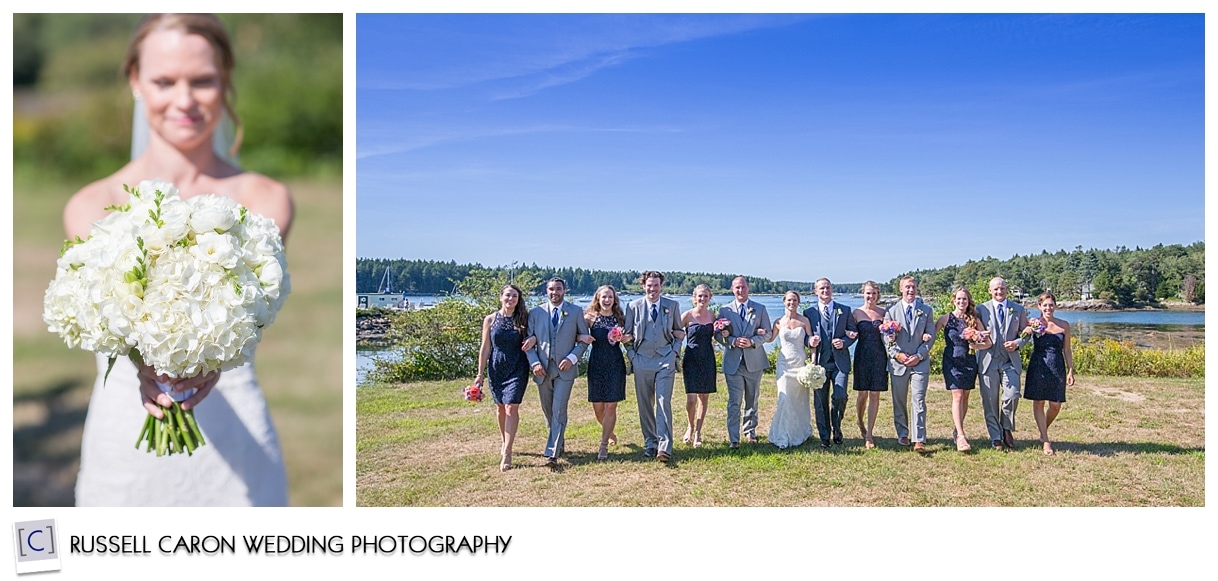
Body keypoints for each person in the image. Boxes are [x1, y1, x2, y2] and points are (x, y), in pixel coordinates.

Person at [65, 14, 293, 506]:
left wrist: (205, 366)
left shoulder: (265, 200)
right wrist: (145, 365)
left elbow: (248, 319)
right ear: (135, 82)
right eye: (165, 81)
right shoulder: (89, 206)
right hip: (125, 433)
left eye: (204, 81)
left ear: (225, 81)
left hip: (236, 434)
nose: (185, 100)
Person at [525, 277, 591, 468]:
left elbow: (584, 340)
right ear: (546, 291)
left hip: (565, 369)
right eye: (551, 289)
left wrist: (572, 358)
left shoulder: (576, 311)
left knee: (558, 408)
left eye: (558, 289)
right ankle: (558, 443)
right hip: (542, 369)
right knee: (548, 411)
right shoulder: (536, 313)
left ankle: (551, 453)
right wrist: (535, 363)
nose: (555, 292)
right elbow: (528, 342)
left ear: (564, 291)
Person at [621, 271, 685, 462]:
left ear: (661, 286)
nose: (652, 289)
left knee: (663, 402)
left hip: (665, 359)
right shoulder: (633, 307)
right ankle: (650, 442)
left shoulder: (672, 306)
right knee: (645, 404)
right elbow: (626, 336)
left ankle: (664, 447)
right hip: (642, 359)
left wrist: (674, 352)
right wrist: (632, 356)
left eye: (656, 285)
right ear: (643, 286)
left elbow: (680, 332)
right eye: (649, 285)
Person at [475, 285, 533, 471]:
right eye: (508, 295)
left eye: (515, 296)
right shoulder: (490, 319)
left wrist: (534, 340)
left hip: (518, 367)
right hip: (496, 368)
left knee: (511, 406)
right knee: (500, 408)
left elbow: (536, 336)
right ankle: (504, 440)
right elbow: (485, 348)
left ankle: (507, 452)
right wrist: (480, 374)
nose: (511, 299)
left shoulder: (524, 318)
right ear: (501, 297)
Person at [932, 287, 992, 452]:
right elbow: (930, 334)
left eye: (964, 299)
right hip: (951, 361)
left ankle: (957, 430)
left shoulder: (974, 320)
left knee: (965, 396)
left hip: (969, 361)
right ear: (953, 300)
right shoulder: (945, 319)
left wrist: (975, 344)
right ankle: (961, 436)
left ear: (968, 301)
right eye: (958, 299)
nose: (961, 302)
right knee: (957, 395)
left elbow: (988, 343)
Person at [716, 276, 772, 448]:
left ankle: (750, 431)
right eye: (737, 288)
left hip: (754, 361)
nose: (740, 291)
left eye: (743, 287)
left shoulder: (760, 309)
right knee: (734, 401)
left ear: (748, 288)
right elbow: (718, 334)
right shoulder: (725, 310)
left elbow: (768, 333)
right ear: (732, 289)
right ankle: (734, 438)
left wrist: (753, 341)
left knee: (752, 399)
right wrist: (732, 340)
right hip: (733, 362)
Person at [976, 277, 1030, 451]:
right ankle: (996, 437)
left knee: (1013, 394)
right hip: (988, 361)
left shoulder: (1018, 309)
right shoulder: (981, 309)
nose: (999, 292)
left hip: (1010, 361)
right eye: (996, 289)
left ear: (1007, 289)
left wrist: (1018, 343)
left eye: (1002, 289)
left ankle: (1006, 427)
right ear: (990, 291)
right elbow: (973, 331)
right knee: (990, 401)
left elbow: (1027, 332)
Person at [883, 276, 936, 453]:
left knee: (918, 399)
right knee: (899, 401)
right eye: (907, 287)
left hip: (919, 363)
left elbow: (930, 336)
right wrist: (897, 355)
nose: (911, 290)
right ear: (901, 289)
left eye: (913, 287)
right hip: (899, 363)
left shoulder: (926, 310)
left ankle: (919, 439)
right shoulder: (891, 311)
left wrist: (919, 355)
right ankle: (902, 433)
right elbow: (887, 338)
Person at [803, 278, 858, 448]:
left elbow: (854, 333)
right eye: (821, 288)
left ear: (831, 289)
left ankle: (837, 428)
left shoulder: (845, 310)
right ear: (815, 291)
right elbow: (804, 336)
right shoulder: (809, 313)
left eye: (827, 288)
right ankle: (825, 436)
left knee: (840, 396)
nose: (825, 291)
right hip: (819, 363)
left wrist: (844, 342)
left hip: (839, 362)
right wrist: (809, 341)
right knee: (820, 401)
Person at [1023, 292, 1075, 456]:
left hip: (1057, 365)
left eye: (1051, 305)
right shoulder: (1034, 323)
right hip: (1038, 364)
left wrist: (1071, 370)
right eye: (1045, 305)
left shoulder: (1064, 325)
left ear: (1055, 306)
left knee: (1055, 405)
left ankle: (1042, 430)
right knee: (1038, 402)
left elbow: (1067, 349)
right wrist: (1026, 330)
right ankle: (1045, 440)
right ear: (1039, 306)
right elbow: (1022, 337)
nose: (1048, 308)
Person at [765, 291, 815, 449]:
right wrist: (759, 332)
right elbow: (770, 339)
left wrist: (812, 363)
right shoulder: (778, 322)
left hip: (800, 364)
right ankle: (782, 435)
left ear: (798, 302)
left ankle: (799, 432)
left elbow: (812, 342)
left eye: (794, 300)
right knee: (785, 398)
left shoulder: (804, 320)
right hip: (784, 365)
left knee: (799, 400)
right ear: (784, 302)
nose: (791, 303)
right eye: (789, 300)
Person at [583, 285, 627, 461]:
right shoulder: (589, 318)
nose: (607, 300)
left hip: (615, 364)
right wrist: (581, 337)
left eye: (610, 297)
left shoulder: (621, 318)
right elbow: (575, 332)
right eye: (604, 297)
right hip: (596, 363)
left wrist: (626, 338)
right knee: (598, 408)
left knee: (611, 406)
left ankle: (603, 446)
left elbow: (633, 334)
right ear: (598, 299)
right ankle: (610, 432)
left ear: (614, 299)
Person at [851, 281, 889, 449]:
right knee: (862, 395)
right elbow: (849, 332)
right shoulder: (856, 313)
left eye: (874, 293)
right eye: (868, 293)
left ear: (877, 295)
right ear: (863, 294)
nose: (871, 296)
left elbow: (889, 334)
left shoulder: (884, 313)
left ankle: (869, 434)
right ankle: (860, 422)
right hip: (862, 355)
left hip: (879, 355)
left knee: (875, 395)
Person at [679, 284, 718, 448]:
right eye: (699, 296)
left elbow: (720, 335)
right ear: (694, 298)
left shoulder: (713, 316)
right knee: (691, 398)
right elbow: (675, 333)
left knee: (704, 397)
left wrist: (724, 332)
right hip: (691, 359)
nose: (702, 299)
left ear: (710, 298)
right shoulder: (687, 316)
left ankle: (698, 432)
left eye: (705, 296)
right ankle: (690, 426)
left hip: (707, 358)